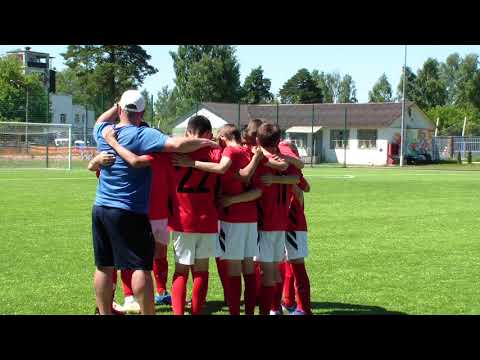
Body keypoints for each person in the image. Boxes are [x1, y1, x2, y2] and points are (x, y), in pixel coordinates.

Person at [92, 90, 218, 315]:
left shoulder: (103, 131)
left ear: (120, 109)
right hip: (129, 209)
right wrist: (207, 142)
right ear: (142, 112)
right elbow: (179, 145)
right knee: (141, 266)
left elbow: (101, 120)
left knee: (104, 266)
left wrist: (115, 106)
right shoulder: (143, 134)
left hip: (101, 207)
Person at [172, 123, 288, 315]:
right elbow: (260, 187)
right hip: (251, 218)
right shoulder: (250, 152)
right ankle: (251, 311)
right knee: (249, 268)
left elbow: (222, 168)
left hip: (231, 218)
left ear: (223, 137)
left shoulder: (228, 152)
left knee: (233, 270)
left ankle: (235, 311)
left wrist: (191, 163)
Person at [252, 123, 300, 315]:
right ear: (278, 141)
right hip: (281, 221)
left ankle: (271, 309)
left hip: (265, 222)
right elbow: (296, 177)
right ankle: (276, 308)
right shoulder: (284, 159)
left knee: (267, 271)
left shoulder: (259, 159)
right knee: (277, 268)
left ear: (257, 140)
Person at [276, 139, 312, 315]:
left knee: (294, 266)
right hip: (284, 223)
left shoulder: (287, 164)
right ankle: (289, 302)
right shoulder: (293, 169)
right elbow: (306, 187)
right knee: (288, 265)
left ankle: (302, 308)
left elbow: (304, 188)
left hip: (292, 223)